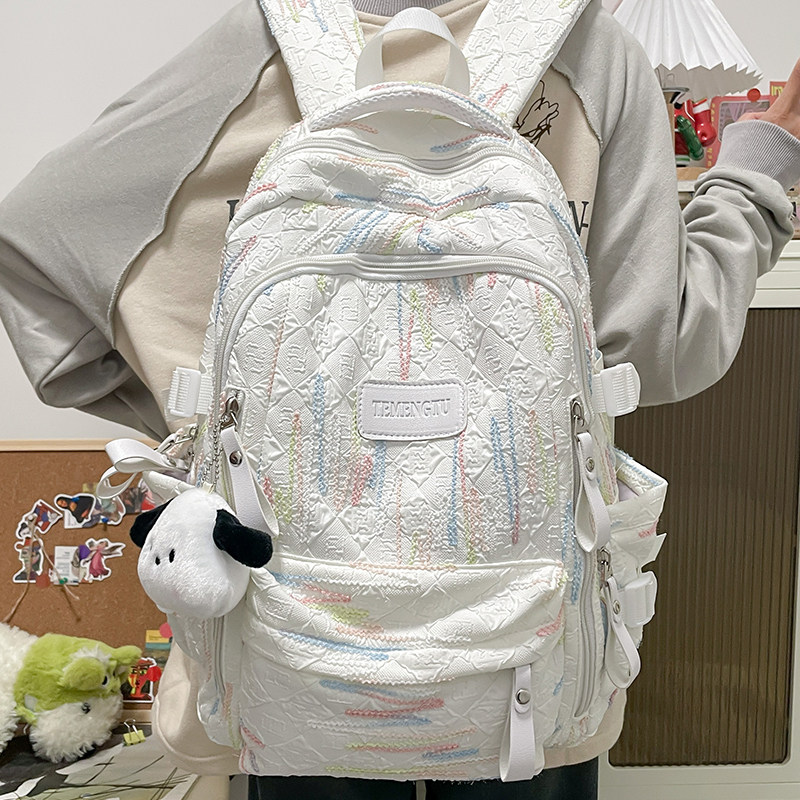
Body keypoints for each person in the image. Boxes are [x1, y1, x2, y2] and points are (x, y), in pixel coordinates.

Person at [0, 0, 798, 798]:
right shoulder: (588, 49)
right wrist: (756, 171)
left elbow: (34, 235)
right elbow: (660, 351)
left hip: (290, 636)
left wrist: (198, 427)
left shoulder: (263, 41)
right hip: (527, 643)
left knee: (291, 735)